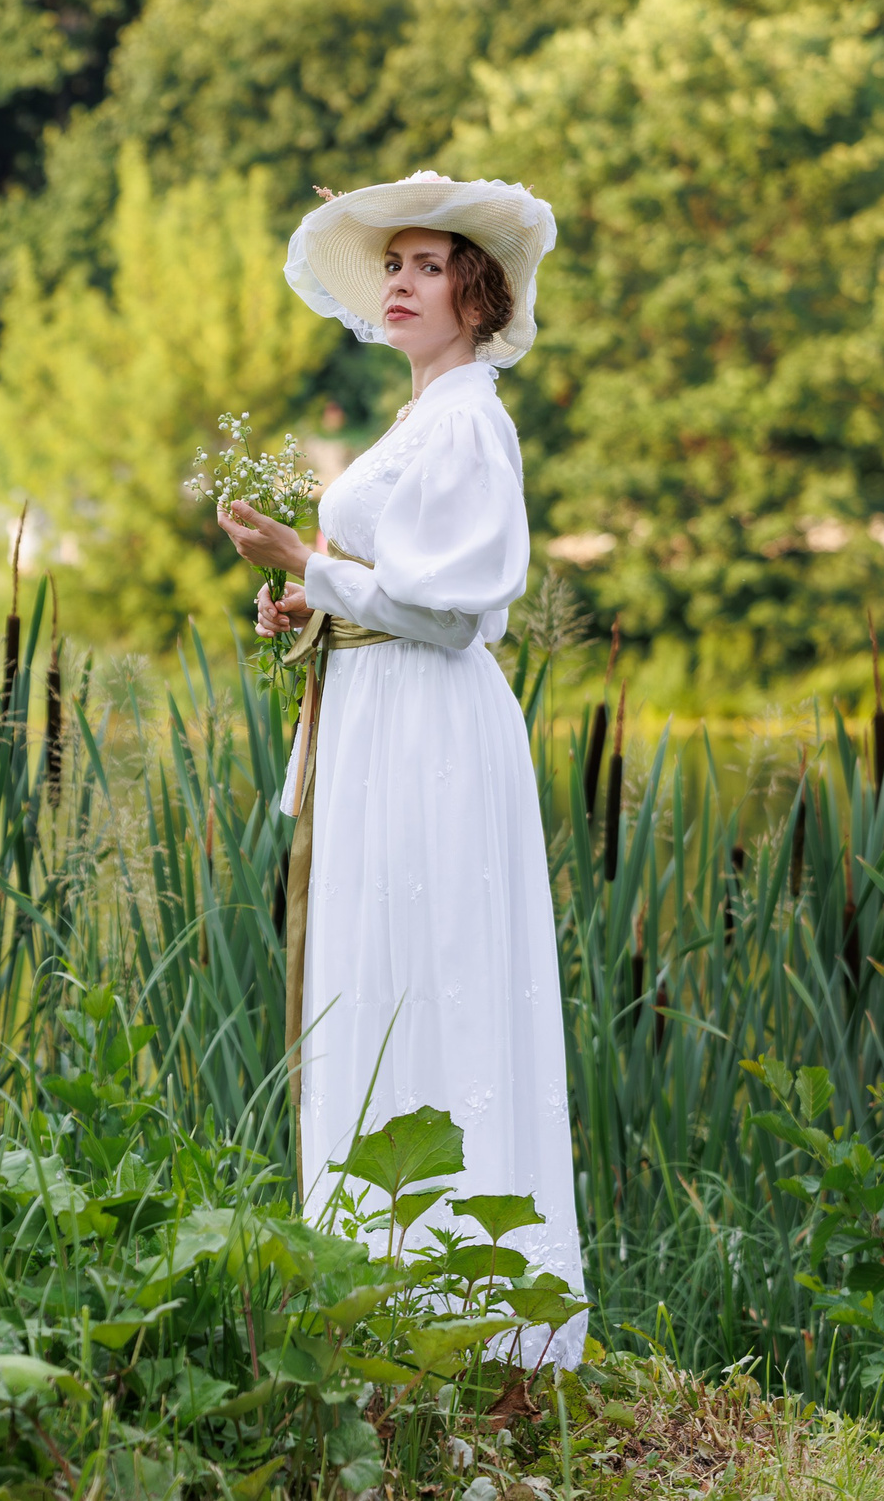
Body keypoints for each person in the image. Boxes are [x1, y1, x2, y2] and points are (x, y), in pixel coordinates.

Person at [215, 171, 588, 1366]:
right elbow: (394, 585)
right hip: (382, 716)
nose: (400, 283)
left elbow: (451, 609)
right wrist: (310, 602)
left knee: (438, 972)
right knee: (377, 964)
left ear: (476, 296)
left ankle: (464, 1309)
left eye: (427, 266)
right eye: (392, 266)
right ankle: (376, 1278)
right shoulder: (422, 416)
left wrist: (308, 563)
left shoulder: (473, 418)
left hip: (430, 730)